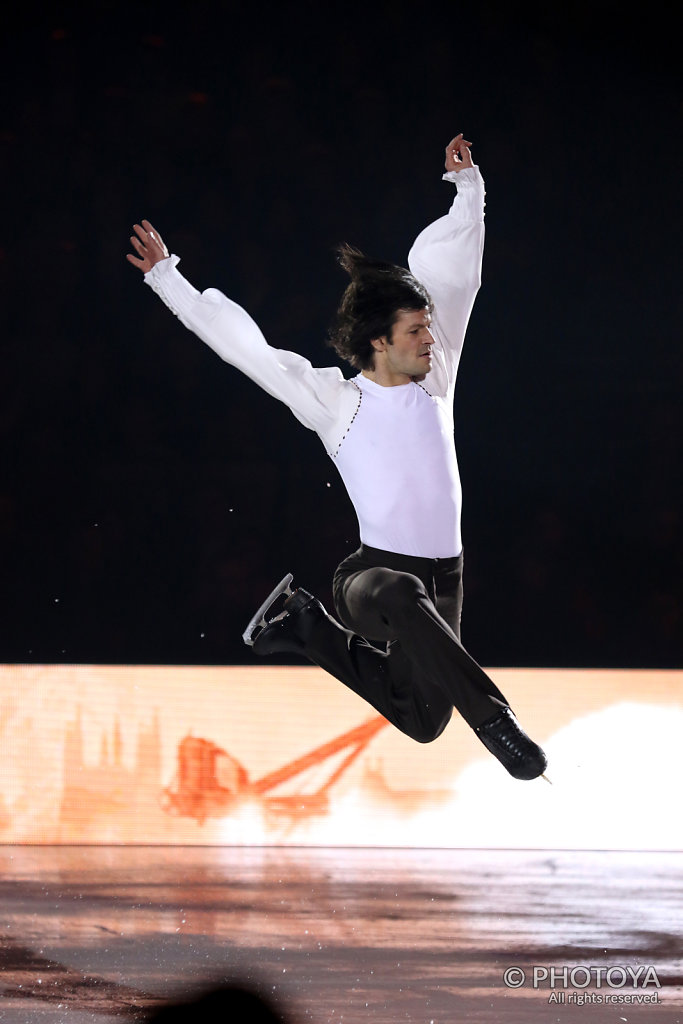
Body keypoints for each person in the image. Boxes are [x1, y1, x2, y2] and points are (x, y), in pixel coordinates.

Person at [127, 133, 548, 781]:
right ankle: (496, 722)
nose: (429, 340)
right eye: (415, 332)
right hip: (370, 580)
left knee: (423, 719)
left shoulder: (437, 375)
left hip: (446, 579)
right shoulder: (334, 401)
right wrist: (166, 278)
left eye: (427, 329)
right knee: (404, 596)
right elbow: (246, 348)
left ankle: (302, 626)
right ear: (380, 341)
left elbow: (458, 277)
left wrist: (469, 191)